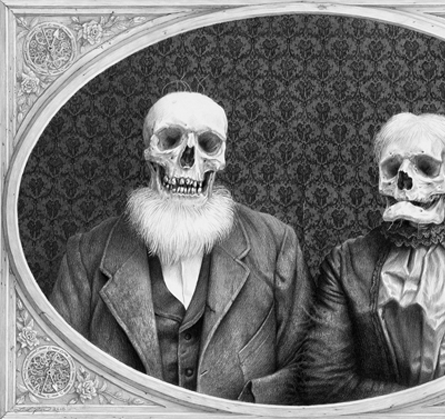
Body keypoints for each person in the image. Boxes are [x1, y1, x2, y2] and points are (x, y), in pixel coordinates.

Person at [50, 92, 313, 404]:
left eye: (207, 145)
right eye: (169, 141)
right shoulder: (87, 254)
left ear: (221, 158)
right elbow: (56, 374)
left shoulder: (275, 242)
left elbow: (305, 370)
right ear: (149, 153)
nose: (188, 160)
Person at [300, 112, 445, 404]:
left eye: (426, 168)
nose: (404, 182)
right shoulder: (344, 263)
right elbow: (324, 383)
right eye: (392, 169)